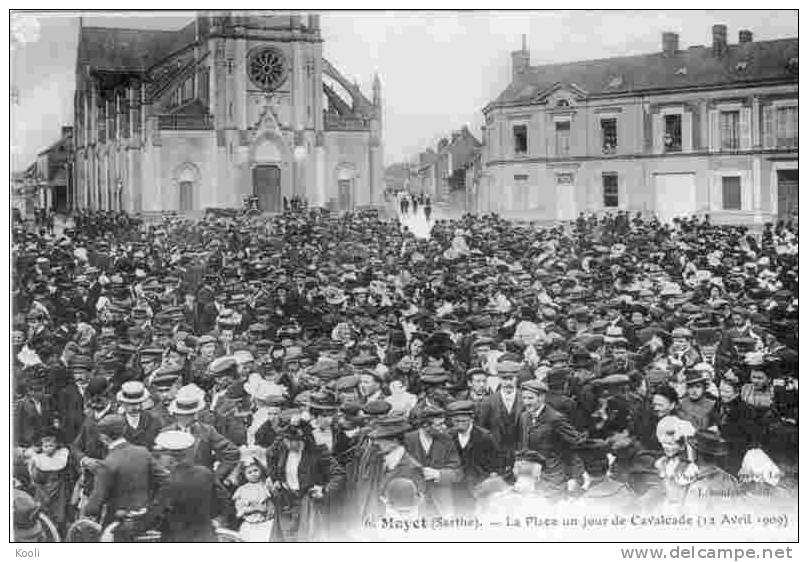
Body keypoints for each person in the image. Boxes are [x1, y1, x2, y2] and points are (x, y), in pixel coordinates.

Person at [82, 415, 165, 526]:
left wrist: (87, 510)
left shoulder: (108, 463)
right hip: (146, 517)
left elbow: (95, 504)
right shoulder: (143, 452)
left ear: (103, 437)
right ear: (124, 430)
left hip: (118, 521)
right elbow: (165, 480)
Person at [151, 430, 230, 542]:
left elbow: (157, 515)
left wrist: (135, 527)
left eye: (159, 456)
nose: (158, 460)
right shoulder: (205, 473)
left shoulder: (170, 482)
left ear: (171, 458)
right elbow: (223, 500)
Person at [519, 379, 586, 492]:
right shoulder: (524, 417)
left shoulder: (555, 419)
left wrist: (575, 477)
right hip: (531, 475)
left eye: (530, 398)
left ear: (541, 398)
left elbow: (577, 445)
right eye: (524, 398)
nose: (526, 402)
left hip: (554, 477)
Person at [446, 400, 502, 514]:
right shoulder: (448, 436)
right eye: (456, 421)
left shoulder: (485, 437)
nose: (460, 424)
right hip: (455, 487)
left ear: (471, 419)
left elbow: (496, 463)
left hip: (478, 487)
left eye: (463, 421)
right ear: (452, 420)